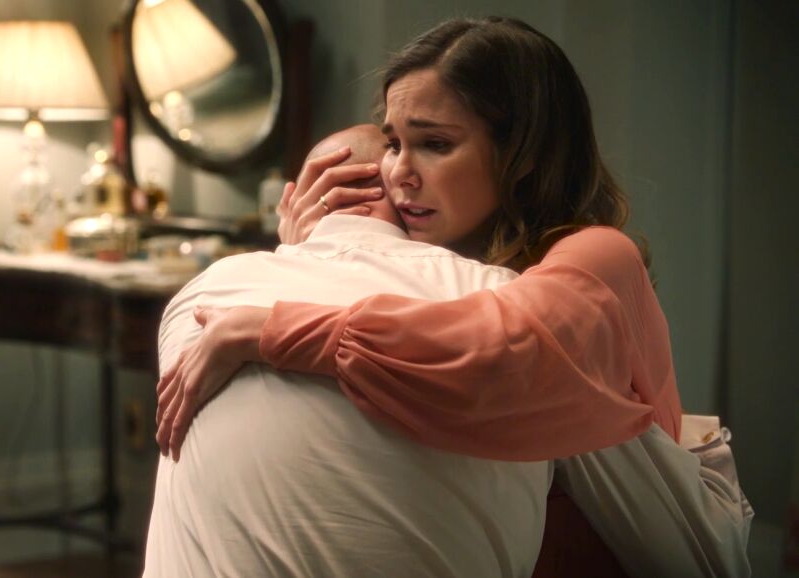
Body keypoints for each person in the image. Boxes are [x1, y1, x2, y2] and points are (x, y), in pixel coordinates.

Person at [154, 16, 753, 577]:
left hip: (642, 532)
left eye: (436, 144)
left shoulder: (598, 253)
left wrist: (264, 328)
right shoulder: (445, 258)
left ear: (523, 156)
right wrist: (307, 251)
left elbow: (496, 353)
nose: (399, 173)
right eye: (394, 143)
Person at [145, 124, 553, 578]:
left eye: (433, 144)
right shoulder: (509, 300)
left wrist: (294, 254)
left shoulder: (204, 294)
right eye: (397, 147)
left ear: (298, 198)